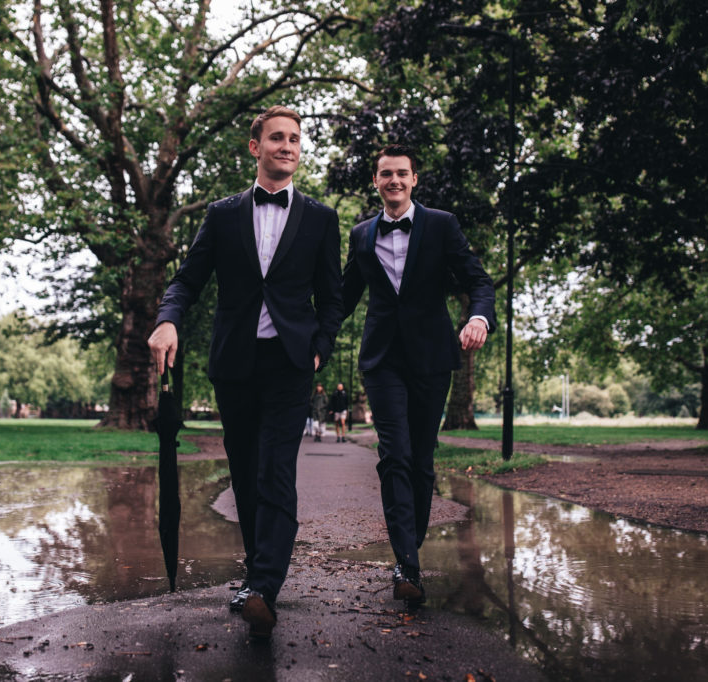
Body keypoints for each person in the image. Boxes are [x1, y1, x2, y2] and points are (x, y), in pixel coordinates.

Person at [148, 106, 342, 638]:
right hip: (234, 363)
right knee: (246, 472)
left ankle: (262, 585)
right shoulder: (222, 214)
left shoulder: (322, 219)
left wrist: (319, 346)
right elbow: (187, 281)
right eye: (277, 137)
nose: (287, 145)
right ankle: (258, 572)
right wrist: (168, 322)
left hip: (290, 363)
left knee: (276, 468)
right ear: (254, 147)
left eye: (295, 139)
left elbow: (333, 297)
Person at [341, 144, 495, 607]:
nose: (394, 181)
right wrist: (306, 334)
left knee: (422, 462)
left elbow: (478, 281)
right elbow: (344, 296)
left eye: (402, 174)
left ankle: (410, 548)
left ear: (414, 180)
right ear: (376, 181)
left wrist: (479, 318)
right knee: (395, 455)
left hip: (432, 357)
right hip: (382, 359)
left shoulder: (442, 224)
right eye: (385, 174)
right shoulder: (360, 234)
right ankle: (407, 563)